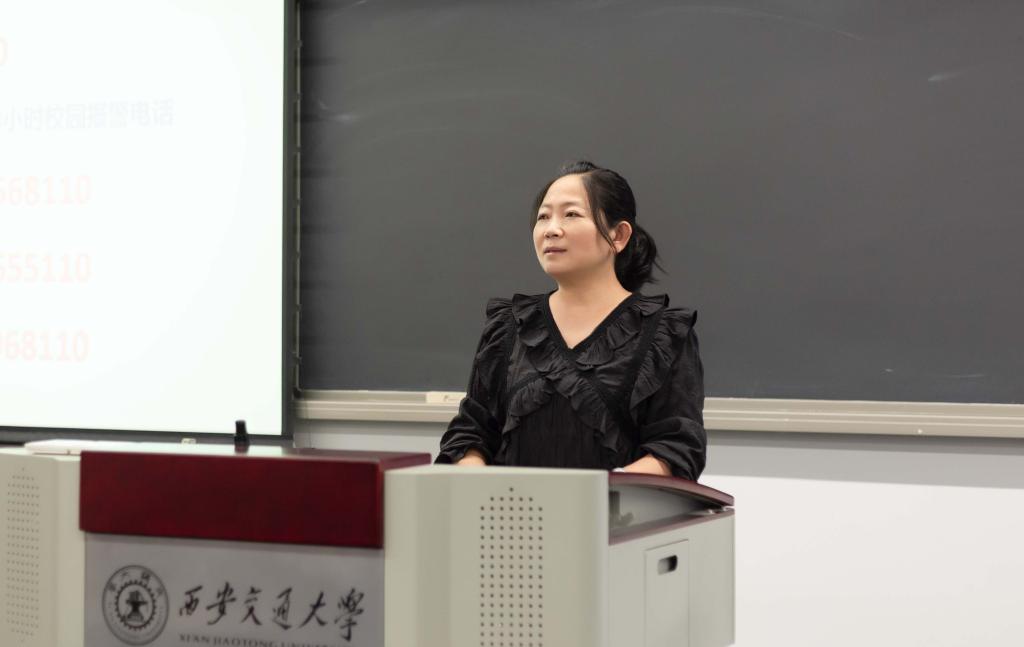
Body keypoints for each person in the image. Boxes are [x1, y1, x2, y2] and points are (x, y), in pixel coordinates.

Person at [435, 160, 706, 480]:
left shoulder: (661, 333)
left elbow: (676, 449)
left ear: (618, 235)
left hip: (615, 509)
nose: (551, 229)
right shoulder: (509, 326)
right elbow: (470, 434)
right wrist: (479, 483)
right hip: (510, 508)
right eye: (543, 217)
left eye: (571, 214)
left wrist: (594, 496)